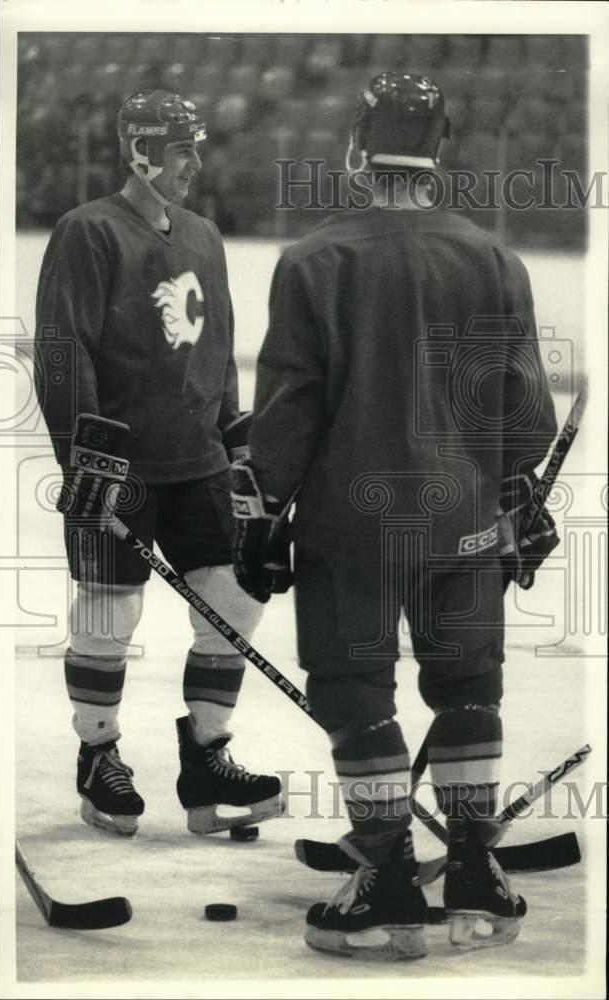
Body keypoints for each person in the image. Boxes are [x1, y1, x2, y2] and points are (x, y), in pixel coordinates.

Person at [231, 72, 559, 959]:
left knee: (355, 691)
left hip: (351, 526)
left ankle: (382, 879)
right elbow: (526, 421)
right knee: (467, 688)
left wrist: (262, 513)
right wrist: (502, 492)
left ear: (355, 150)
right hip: (463, 523)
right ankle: (474, 873)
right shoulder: (495, 260)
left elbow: (289, 415)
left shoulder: (311, 261)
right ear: (440, 152)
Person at [34, 89, 282, 838]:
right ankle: (99, 755)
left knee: (234, 601)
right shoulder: (87, 233)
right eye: (182, 150)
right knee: (110, 613)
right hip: (120, 467)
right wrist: (84, 464)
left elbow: (218, 350)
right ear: (140, 150)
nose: (194, 164)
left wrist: (239, 447)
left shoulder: (204, 235)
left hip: (197, 463)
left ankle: (206, 759)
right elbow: (61, 351)